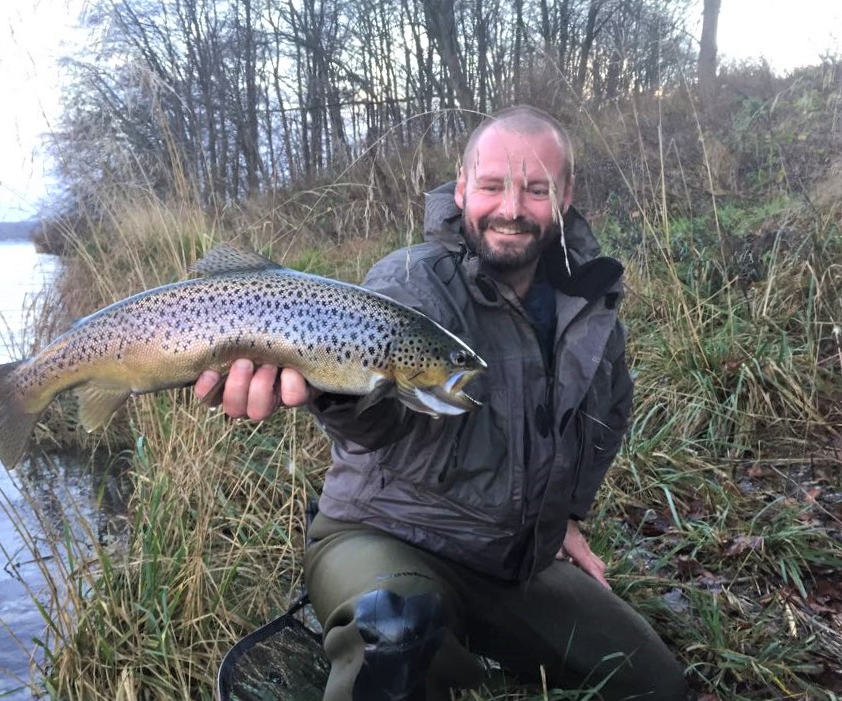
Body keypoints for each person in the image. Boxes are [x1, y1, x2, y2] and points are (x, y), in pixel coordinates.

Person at [195, 106, 687, 700]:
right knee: (394, 636)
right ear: (461, 188)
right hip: (382, 538)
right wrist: (327, 386)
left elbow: (608, 413)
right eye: (490, 186)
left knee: (657, 682)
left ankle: (464, 643)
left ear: (566, 194)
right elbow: (373, 421)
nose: (510, 209)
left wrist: (569, 519)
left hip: (509, 564)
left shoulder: (588, 300)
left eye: (536, 190)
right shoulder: (410, 283)